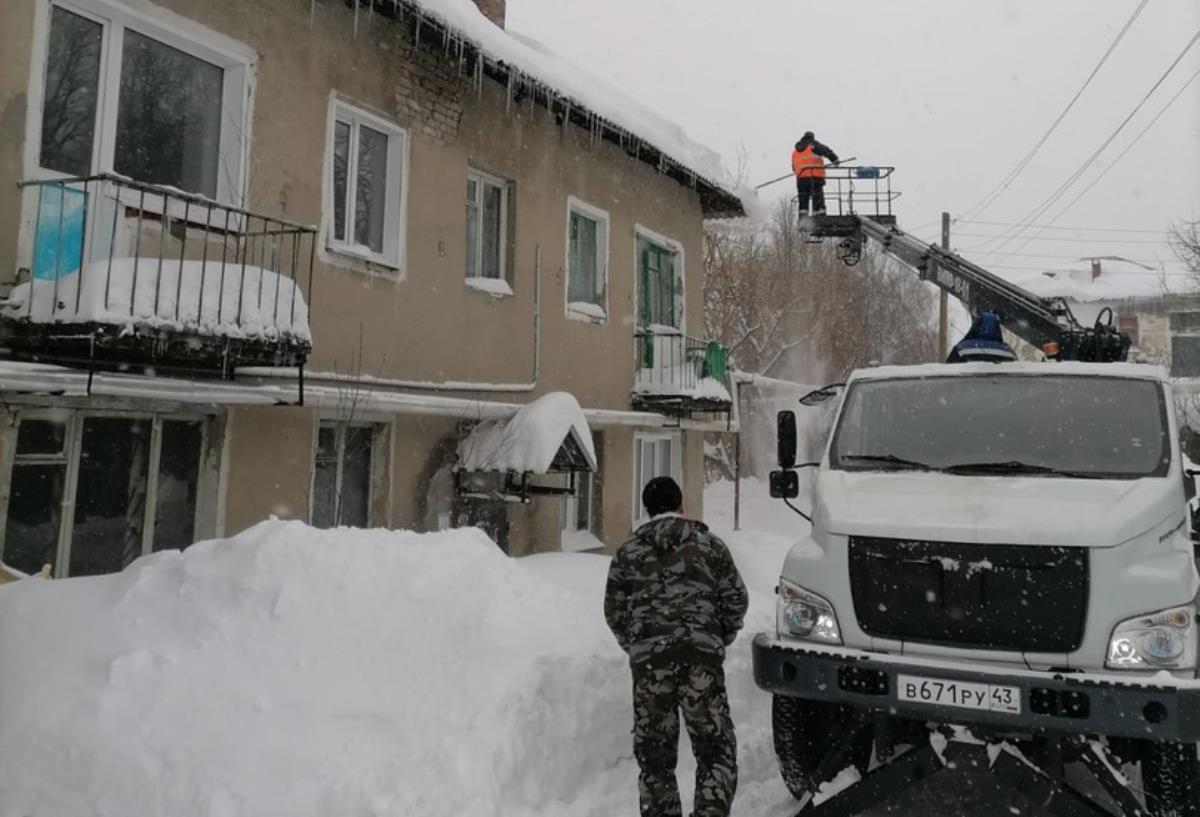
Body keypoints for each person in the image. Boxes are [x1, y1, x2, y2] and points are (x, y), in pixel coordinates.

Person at [604, 476, 749, 817]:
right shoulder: (709, 546)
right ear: (681, 504)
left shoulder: (627, 554)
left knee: (655, 760)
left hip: (650, 667)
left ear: (647, 509)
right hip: (702, 662)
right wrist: (714, 640)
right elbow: (736, 600)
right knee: (715, 752)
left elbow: (614, 612)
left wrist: (641, 647)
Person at [792, 131, 839, 218]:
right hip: (814, 178)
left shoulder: (795, 152)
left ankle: (803, 219)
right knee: (818, 199)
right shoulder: (812, 145)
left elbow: (794, 168)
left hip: (801, 180)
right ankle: (819, 216)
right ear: (812, 138)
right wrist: (834, 159)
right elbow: (825, 150)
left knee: (803, 201)